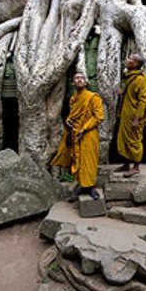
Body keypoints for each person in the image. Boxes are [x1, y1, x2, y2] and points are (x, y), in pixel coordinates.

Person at [51, 72, 104, 200]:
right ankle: (82, 185)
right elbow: (73, 115)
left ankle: (90, 187)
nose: (79, 80)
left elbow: (99, 117)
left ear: (86, 83)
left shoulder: (93, 97)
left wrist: (84, 129)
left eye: (81, 78)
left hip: (89, 134)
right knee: (78, 159)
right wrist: (69, 120)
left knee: (89, 161)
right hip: (75, 133)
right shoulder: (73, 99)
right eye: (76, 78)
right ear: (73, 82)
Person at [115, 53, 146, 177]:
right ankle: (126, 164)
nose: (127, 60)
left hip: (135, 116)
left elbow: (143, 100)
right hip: (126, 114)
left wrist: (137, 118)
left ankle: (136, 167)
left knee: (134, 141)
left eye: (130, 59)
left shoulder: (141, 79)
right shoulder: (130, 77)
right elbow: (131, 93)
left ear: (135, 64)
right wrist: (122, 93)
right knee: (124, 140)